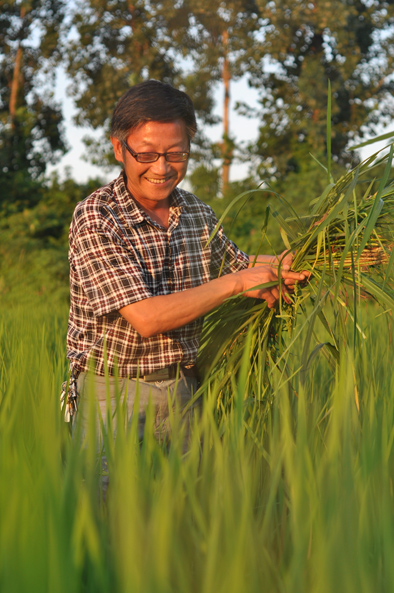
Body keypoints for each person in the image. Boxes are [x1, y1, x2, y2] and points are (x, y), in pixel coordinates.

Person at [65, 80, 306, 448]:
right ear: (119, 148)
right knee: (111, 503)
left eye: (176, 154)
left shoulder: (195, 211)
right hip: (112, 395)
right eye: (147, 154)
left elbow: (238, 265)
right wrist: (241, 283)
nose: (162, 168)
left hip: (184, 390)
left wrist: (303, 259)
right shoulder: (98, 216)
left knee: (184, 502)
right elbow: (148, 317)